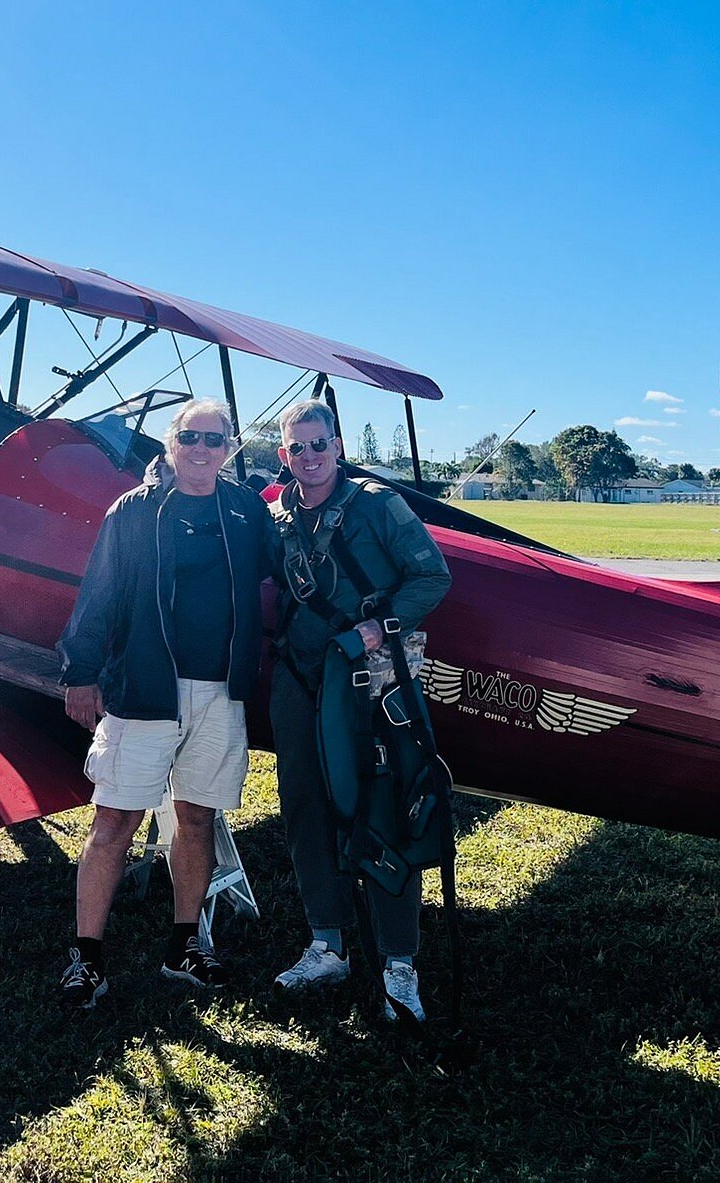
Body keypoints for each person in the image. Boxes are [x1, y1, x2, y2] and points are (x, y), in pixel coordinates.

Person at [54, 397, 277, 1009]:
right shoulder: (133, 510)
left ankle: (184, 945)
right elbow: (99, 591)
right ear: (170, 443)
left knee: (198, 818)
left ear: (229, 448)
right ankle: (86, 955)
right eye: (191, 438)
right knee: (114, 822)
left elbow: (288, 569)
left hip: (218, 692)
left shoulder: (245, 513)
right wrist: (81, 671)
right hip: (145, 688)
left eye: (215, 440)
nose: (202, 449)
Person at [267, 397, 451, 1020]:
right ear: (282, 454)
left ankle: (400, 961)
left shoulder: (377, 504)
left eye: (321, 444)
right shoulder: (278, 513)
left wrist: (379, 631)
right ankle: (327, 942)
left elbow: (433, 577)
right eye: (298, 448)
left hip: (371, 676)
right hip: (300, 676)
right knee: (303, 804)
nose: (311, 457)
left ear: (339, 446)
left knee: (386, 806)